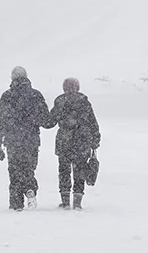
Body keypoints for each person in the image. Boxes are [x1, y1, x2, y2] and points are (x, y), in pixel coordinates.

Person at [0, 66, 52, 211]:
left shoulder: (7, 96)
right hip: (31, 140)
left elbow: (0, 121)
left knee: (14, 171)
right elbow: (46, 121)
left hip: (13, 141)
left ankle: (16, 203)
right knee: (28, 169)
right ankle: (30, 188)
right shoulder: (35, 95)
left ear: (12, 79)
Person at [49, 77, 100, 210]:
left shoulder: (60, 101)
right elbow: (93, 122)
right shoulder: (84, 102)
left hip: (64, 141)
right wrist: (95, 140)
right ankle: (77, 201)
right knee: (79, 171)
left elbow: (50, 121)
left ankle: (65, 201)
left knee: (64, 171)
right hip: (82, 142)